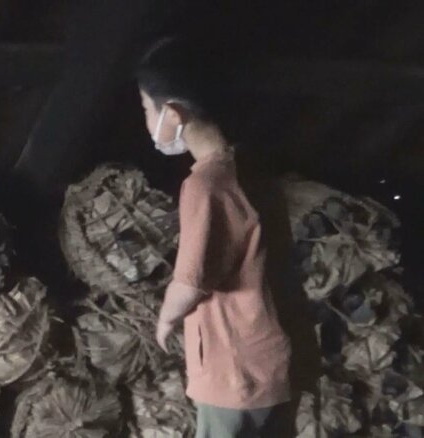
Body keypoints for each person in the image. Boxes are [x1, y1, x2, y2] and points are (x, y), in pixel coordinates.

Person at [137, 39, 293, 437]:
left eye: (146, 109)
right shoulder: (247, 169)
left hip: (232, 369)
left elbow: (190, 283)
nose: (147, 120)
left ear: (173, 113)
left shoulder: (205, 185)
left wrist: (165, 320)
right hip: (268, 358)